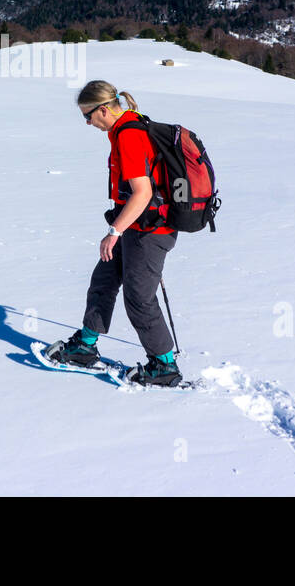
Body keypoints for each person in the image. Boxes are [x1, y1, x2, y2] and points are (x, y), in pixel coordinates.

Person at [44, 80, 182, 386]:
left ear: (103, 110)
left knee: (139, 297)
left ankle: (164, 366)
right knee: (103, 280)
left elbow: (142, 192)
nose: (87, 123)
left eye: (88, 116)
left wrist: (113, 231)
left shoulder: (130, 136)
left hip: (150, 230)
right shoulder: (124, 129)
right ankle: (85, 345)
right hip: (134, 224)